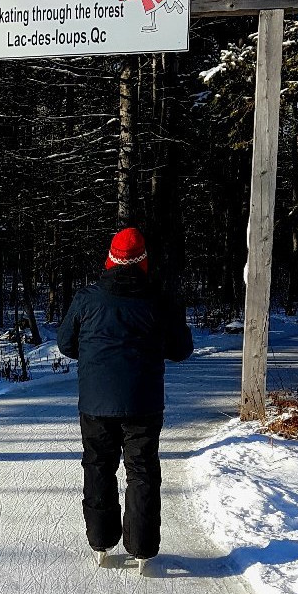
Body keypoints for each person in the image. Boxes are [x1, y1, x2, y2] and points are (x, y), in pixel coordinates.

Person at [56, 227, 193, 572]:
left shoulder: (87, 299)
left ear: (111, 260)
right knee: (142, 470)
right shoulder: (159, 300)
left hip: (96, 402)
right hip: (143, 402)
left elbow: (66, 344)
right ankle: (143, 547)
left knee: (99, 465)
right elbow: (182, 349)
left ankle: (101, 541)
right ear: (143, 262)